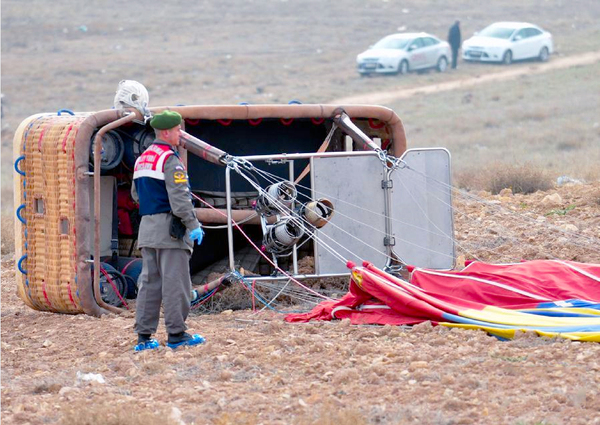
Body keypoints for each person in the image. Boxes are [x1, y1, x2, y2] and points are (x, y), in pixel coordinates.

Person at [131, 110, 205, 351]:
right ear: (166, 132)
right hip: (170, 232)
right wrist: (193, 225)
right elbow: (180, 198)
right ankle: (176, 334)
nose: (180, 134)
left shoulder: (142, 159)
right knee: (176, 284)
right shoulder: (170, 160)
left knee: (149, 283)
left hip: (147, 230)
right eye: (176, 130)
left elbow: (135, 195)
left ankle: (144, 337)